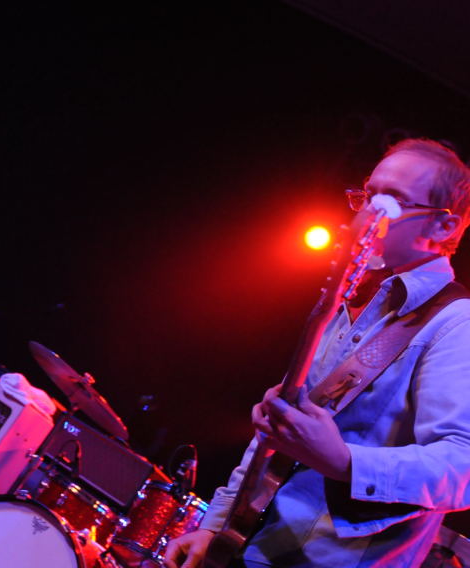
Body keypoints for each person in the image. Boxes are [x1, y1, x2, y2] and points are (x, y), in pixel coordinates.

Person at [165, 138, 470, 568]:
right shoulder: (350, 299)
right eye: (368, 195)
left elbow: (462, 467)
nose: (369, 213)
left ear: (442, 226)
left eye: (393, 201)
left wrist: (345, 462)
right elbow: (275, 438)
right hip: (251, 546)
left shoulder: (457, 324)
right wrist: (215, 527)